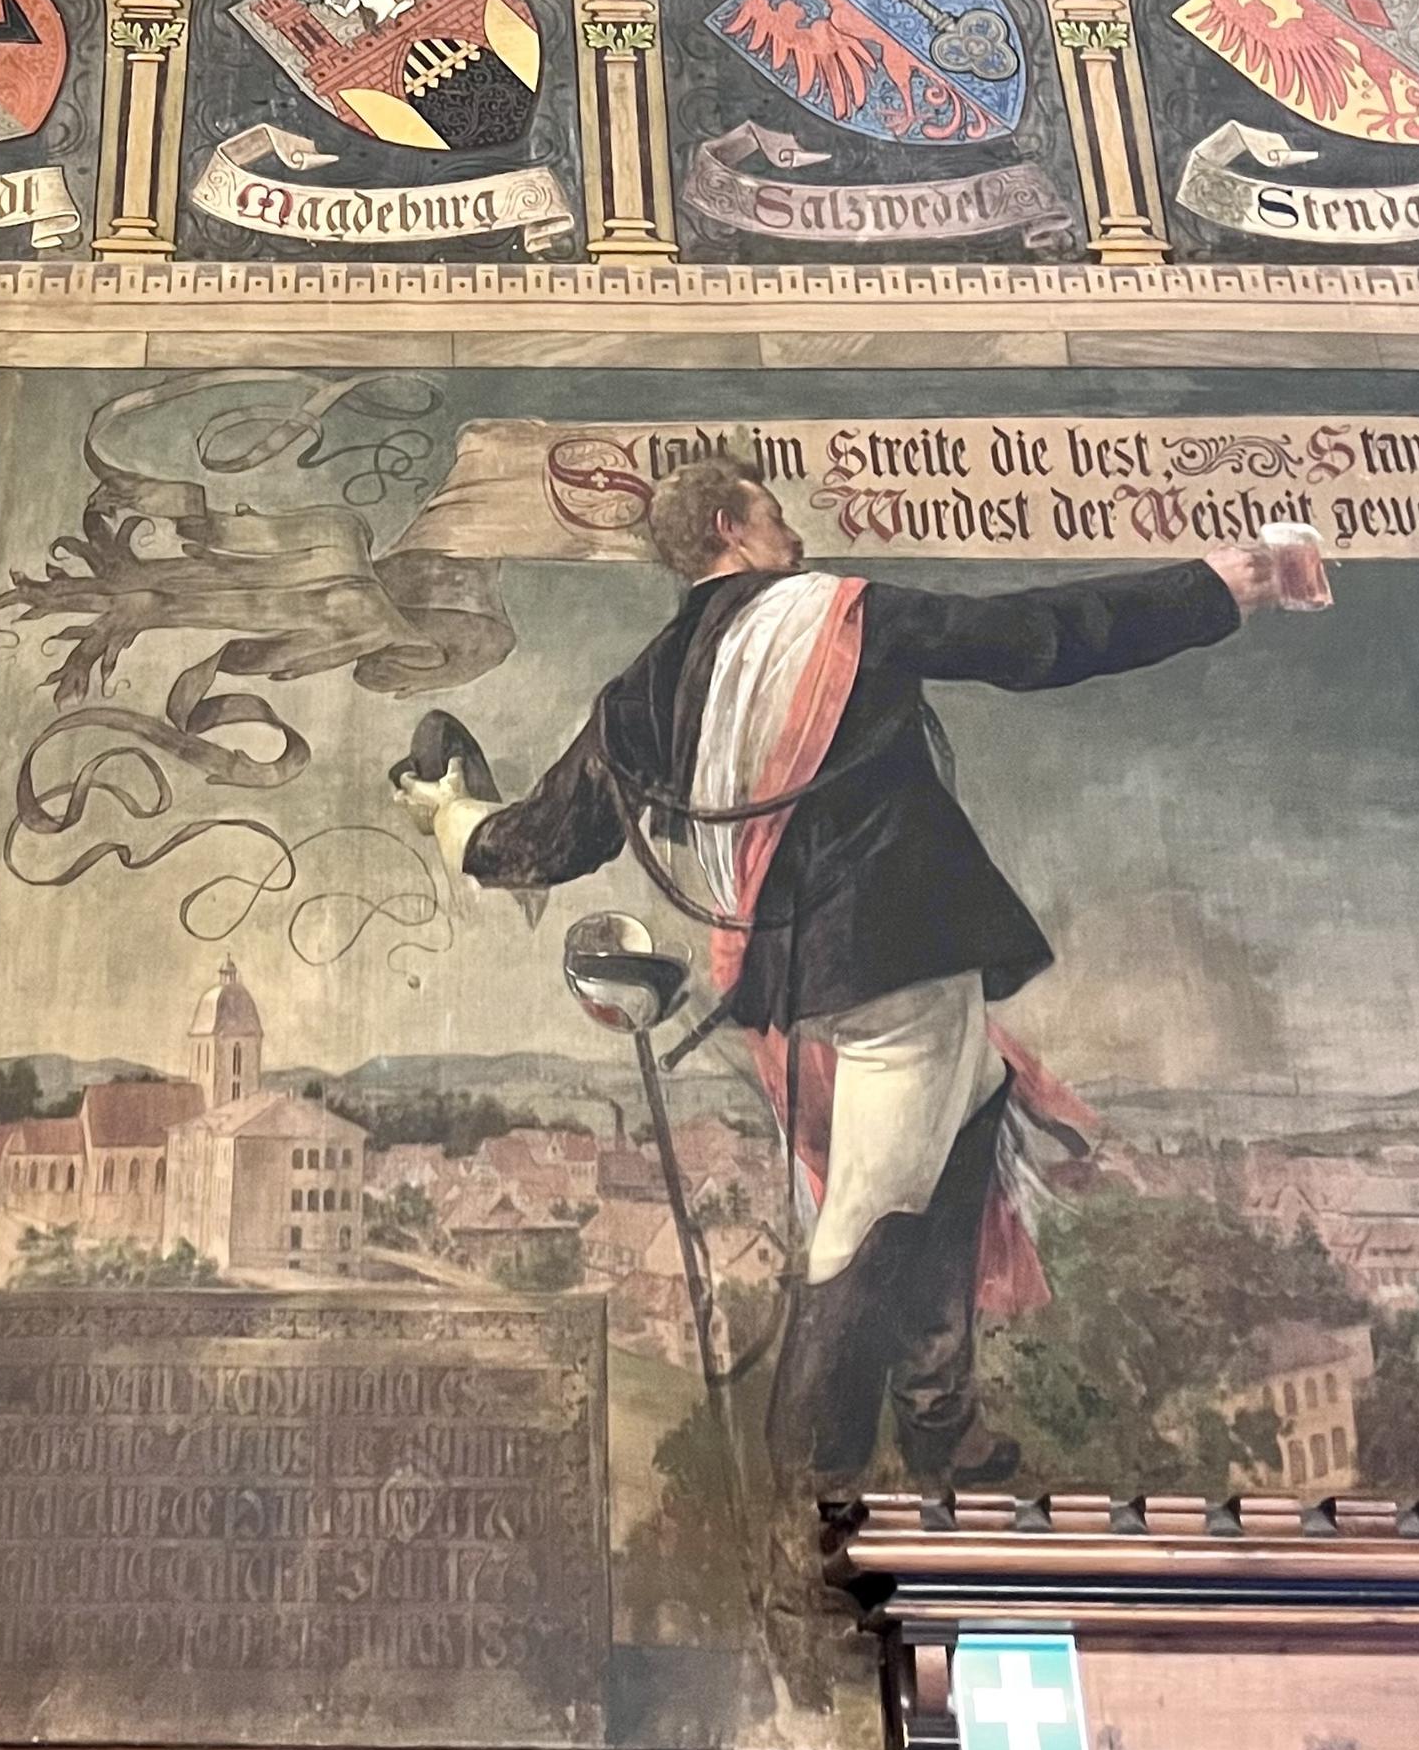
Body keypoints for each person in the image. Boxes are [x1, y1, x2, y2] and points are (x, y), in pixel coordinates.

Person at [395, 462, 1273, 1498]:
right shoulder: (838, 614)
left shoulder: (640, 691)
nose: (793, 532)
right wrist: (1213, 588)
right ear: (726, 525)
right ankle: (812, 1493)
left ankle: (942, 1424)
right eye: (772, 515)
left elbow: (541, 839)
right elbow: (1033, 636)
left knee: (969, 1110)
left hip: (805, 974)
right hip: (895, 958)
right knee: (862, 1214)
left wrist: (451, 817)